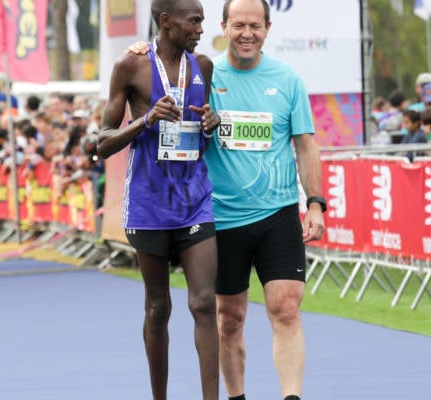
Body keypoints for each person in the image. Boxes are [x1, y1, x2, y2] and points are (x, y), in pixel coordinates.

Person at [97, 0, 221, 399]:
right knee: (158, 308)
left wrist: (210, 123)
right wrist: (146, 119)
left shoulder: (202, 66)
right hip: (149, 203)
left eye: (202, 21)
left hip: (195, 200)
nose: (201, 29)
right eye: (194, 21)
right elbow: (101, 143)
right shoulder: (129, 67)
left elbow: (207, 122)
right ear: (166, 22)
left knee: (203, 303)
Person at [208, 1, 324, 399]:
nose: (246, 33)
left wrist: (314, 203)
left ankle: (292, 396)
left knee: (286, 308)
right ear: (223, 26)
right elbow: (160, 67)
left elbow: (306, 146)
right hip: (222, 218)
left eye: (255, 26)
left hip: (277, 213)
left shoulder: (287, 79)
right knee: (229, 318)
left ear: (268, 28)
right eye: (238, 25)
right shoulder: (205, 77)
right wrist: (141, 49)